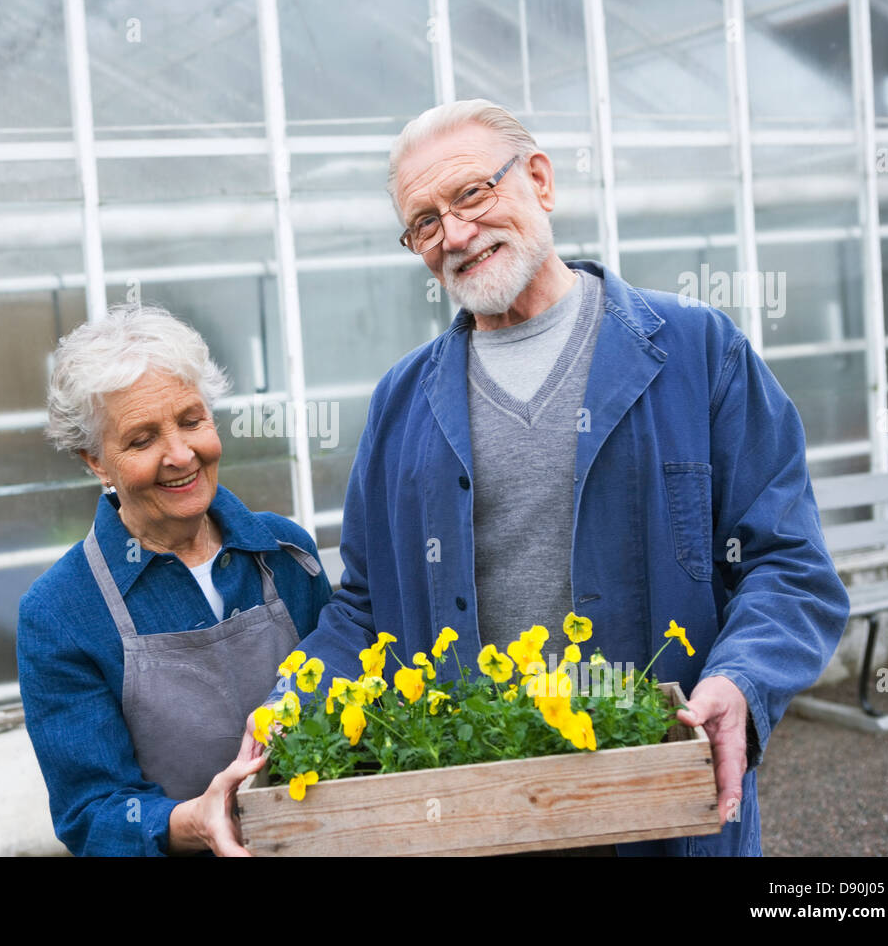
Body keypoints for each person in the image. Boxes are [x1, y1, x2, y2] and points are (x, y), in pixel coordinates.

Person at [254, 99, 849, 856]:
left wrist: (741, 682)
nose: (457, 235)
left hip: (661, 807)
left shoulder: (699, 352)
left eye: (471, 194)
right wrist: (288, 702)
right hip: (473, 821)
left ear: (539, 179)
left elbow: (787, 562)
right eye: (426, 223)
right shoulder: (401, 404)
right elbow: (366, 609)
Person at [18, 303, 332, 856]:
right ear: (96, 461)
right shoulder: (60, 611)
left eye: (191, 421)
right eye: (142, 440)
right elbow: (90, 812)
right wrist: (193, 821)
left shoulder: (286, 553)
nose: (181, 455)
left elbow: (344, 696)